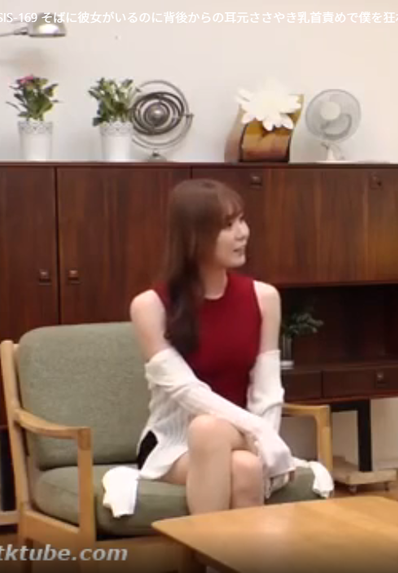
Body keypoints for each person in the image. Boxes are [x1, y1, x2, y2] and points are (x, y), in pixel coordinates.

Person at [119, 179, 326, 515]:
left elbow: (267, 390)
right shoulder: (150, 306)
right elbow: (186, 392)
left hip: (240, 437)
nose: (242, 233)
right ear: (193, 237)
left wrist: (265, 436)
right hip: (173, 444)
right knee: (212, 434)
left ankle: (213, 548)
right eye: (228, 226)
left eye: (242, 220)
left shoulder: (264, 298)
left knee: (239, 458)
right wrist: (260, 432)